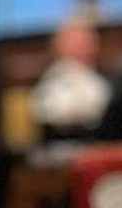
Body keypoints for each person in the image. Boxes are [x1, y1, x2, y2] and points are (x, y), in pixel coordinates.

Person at [31, 12, 111, 141]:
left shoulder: (108, 80)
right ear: (59, 46)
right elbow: (49, 113)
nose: (82, 48)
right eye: (76, 42)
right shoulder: (49, 81)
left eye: (86, 42)